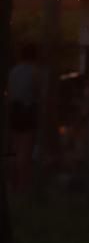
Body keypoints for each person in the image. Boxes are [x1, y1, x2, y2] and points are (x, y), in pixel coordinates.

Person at [8, 43, 40, 192]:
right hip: (28, 111)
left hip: (14, 111)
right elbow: (37, 92)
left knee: (16, 149)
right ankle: (22, 186)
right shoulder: (34, 72)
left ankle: (14, 184)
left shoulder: (13, 72)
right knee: (25, 152)